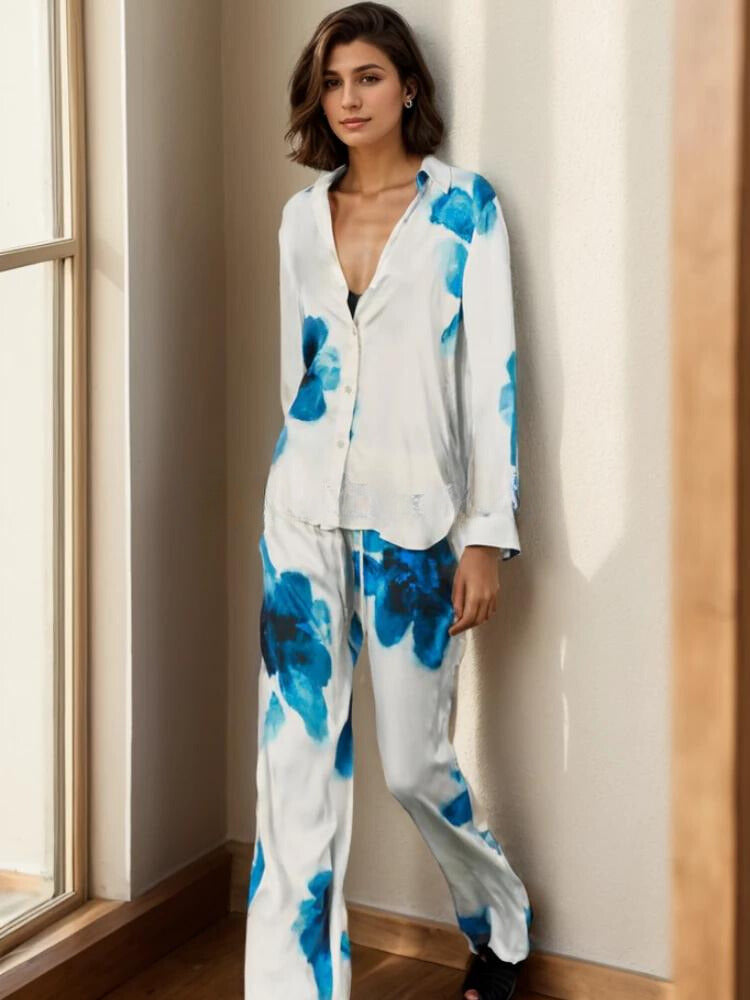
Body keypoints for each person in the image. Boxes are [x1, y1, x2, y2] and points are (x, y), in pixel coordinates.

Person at [244, 4, 533, 998]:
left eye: (367, 76)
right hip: (301, 518)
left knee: (413, 765)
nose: (349, 99)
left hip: (416, 524)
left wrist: (486, 535)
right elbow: (298, 376)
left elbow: (492, 380)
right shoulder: (300, 218)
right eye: (332, 82)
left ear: (409, 85)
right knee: (292, 773)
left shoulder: (466, 210)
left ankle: (499, 924)